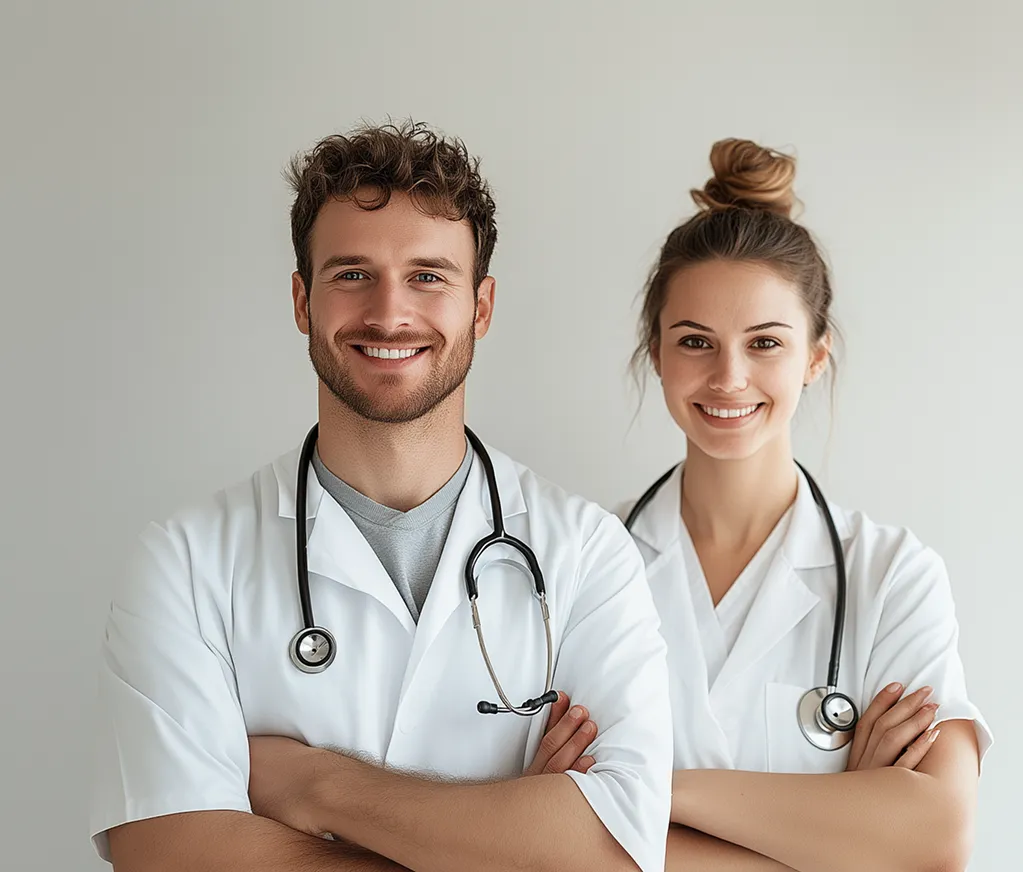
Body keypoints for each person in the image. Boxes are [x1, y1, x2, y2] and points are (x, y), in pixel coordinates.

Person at [90, 121, 672, 872]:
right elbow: (169, 852)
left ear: (481, 308)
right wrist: (508, 836)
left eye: (428, 276)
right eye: (352, 274)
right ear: (303, 301)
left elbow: (616, 855)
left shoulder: (587, 551)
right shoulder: (186, 561)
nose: (390, 313)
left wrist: (319, 785)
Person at [620, 139, 992, 872]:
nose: (728, 377)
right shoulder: (584, 560)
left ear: (814, 357)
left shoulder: (892, 576)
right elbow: (546, 835)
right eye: (696, 341)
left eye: (765, 343)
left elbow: (938, 837)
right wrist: (841, 832)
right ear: (657, 353)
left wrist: (637, 792)